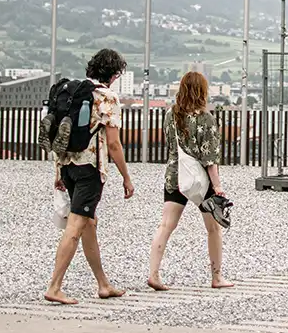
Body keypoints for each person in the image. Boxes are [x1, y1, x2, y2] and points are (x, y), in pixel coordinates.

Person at [44, 48, 135, 305]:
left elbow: (60, 136)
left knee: (88, 224)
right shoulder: (107, 98)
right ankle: (54, 286)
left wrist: (58, 171)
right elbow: (114, 145)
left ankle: (103, 284)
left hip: (68, 165)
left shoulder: (73, 91)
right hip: (90, 170)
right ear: (115, 75)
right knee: (75, 226)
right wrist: (127, 178)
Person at [148, 71, 233, 290]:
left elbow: (170, 144)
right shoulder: (205, 118)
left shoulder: (171, 114)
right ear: (202, 91)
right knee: (213, 229)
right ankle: (216, 277)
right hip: (199, 180)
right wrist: (218, 186)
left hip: (175, 175)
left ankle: (154, 274)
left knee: (166, 225)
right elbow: (210, 157)